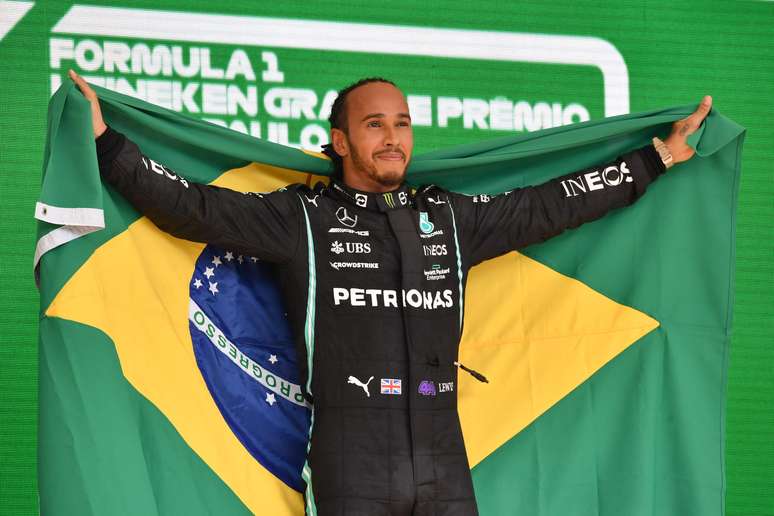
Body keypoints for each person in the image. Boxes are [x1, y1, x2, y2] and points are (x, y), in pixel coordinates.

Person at [68, 69, 711, 516]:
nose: (393, 136)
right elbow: (192, 208)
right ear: (341, 141)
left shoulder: (450, 219)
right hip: (351, 455)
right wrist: (105, 144)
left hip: (442, 449)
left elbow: (549, 207)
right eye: (374, 124)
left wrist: (656, 158)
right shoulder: (303, 219)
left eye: (402, 123)